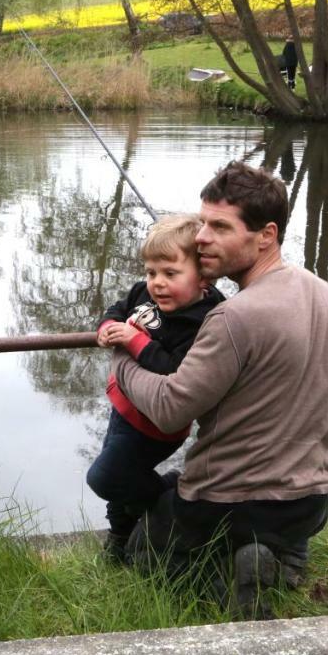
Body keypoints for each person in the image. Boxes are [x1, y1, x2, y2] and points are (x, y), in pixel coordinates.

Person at [111, 161, 328, 617]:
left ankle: (218, 576)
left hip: (220, 502)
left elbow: (170, 408)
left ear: (266, 235)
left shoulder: (231, 317)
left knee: (145, 551)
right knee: (272, 529)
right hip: (307, 503)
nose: (201, 238)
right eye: (201, 225)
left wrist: (123, 353)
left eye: (219, 227)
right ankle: (280, 560)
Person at [87, 215, 225, 564]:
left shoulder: (203, 319)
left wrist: (133, 341)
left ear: (203, 277)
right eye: (151, 272)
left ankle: (171, 495)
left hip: (154, 427)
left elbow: (175, 368)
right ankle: (121, 538)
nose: (156, 283)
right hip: (122, 409)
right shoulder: (143, 293)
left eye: (170, 274)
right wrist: (108, 326)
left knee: (105, 477)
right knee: (117, 482)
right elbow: (118, 308)